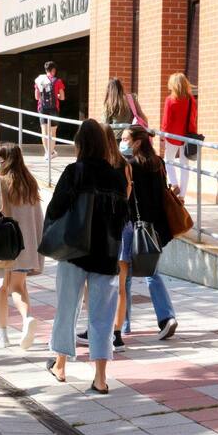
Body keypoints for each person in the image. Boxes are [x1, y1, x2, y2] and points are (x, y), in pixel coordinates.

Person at [46, 119, 128, 394]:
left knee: (66, 308)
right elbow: (122, 217)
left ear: (80, 144)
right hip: (106, 254)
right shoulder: (117, 176)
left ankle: (60, 365)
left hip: (74, 252)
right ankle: (100, 377)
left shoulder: (74, 172)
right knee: (102, 316)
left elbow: (55, 209)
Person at [119, 125, 179, 340]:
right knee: (151, 271)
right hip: (155, 227)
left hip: (132, 225)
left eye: (125, 139)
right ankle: (166, 317)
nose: (122, 143)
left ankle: (123, 324)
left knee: (124, 275)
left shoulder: (129, 165)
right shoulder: (158, 162)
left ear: (137, 142)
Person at [77, 124, 132, 352]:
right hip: (122, 226)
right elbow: (126, 195)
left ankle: (96, 329)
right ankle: (117, 333)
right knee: (120, 285)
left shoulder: (99, 166)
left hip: (102, 229)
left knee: (94, 283)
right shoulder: (124, 165)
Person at [0, 143, 44, 350]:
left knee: (1, 288)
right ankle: (27, 318)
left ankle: (3, 334)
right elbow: (38, 217)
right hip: (27, 245)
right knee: (19, 286)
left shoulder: (0, 183)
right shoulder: (30, 183)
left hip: (5, 246)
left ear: (4, 159)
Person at [161, 72, 197, 201]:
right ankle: (182, 196)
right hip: (187, 136)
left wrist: (162, 136)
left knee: (168, 161)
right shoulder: (191, 100)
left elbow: (166, 121)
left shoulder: (170, 100)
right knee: (185, 166)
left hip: (172, 135)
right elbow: (193, 118)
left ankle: (174, 184)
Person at [34, 61, 65, 160]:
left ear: (46, 70)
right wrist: (57, 96)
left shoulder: (39, 80)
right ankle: (51, 152)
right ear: (53, 70)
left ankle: (47, 153)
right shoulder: (57, 81)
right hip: (54, 109)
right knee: (52, 132)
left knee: (44, 132)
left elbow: (37, 97)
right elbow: (62, 98)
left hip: (42, 108)